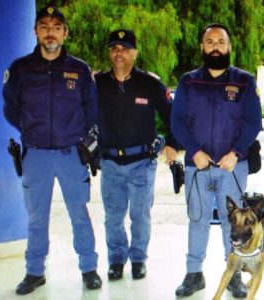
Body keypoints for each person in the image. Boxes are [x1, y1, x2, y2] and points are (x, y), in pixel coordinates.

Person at [3, 5, 101, 295]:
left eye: (56, 27)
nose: (50, 32)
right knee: (36, 218)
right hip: (35, 156)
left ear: (65, 33)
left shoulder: (80, 70)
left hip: (71, 155)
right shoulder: (21, 69)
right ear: (36, 31)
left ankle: (89, 269)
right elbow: (11, 109)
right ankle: (35, 272)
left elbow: (91, 110)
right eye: (44, 26)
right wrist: (30, 128)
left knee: (79, 215)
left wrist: (79, 138)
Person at [170, 23, 262, 298]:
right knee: (197, 219)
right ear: (202, 47)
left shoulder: (244, 81)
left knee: (231, 223)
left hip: (232, 166)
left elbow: (253, 122)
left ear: (229, 47)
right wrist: (194, 151)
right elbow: (177, 121)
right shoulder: (188, 81)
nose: (215, 47)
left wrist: (236, 152)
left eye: (221, 42)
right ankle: (194, 274)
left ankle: (233, 275)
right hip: (197, 167)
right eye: (209, 42)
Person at [95, 29, 178, 281]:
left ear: (135, 53)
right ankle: (116, 260)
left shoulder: (150, 83)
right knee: (113, 217)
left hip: (142, 162)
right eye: (115, 48)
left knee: (140, 216)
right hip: (109, 162)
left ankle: (139, 259)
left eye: (125, 48)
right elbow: (81, 115)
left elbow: (171, 114)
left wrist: (172, 144)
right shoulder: (97, 83)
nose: (119, 53)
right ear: (110, 53)